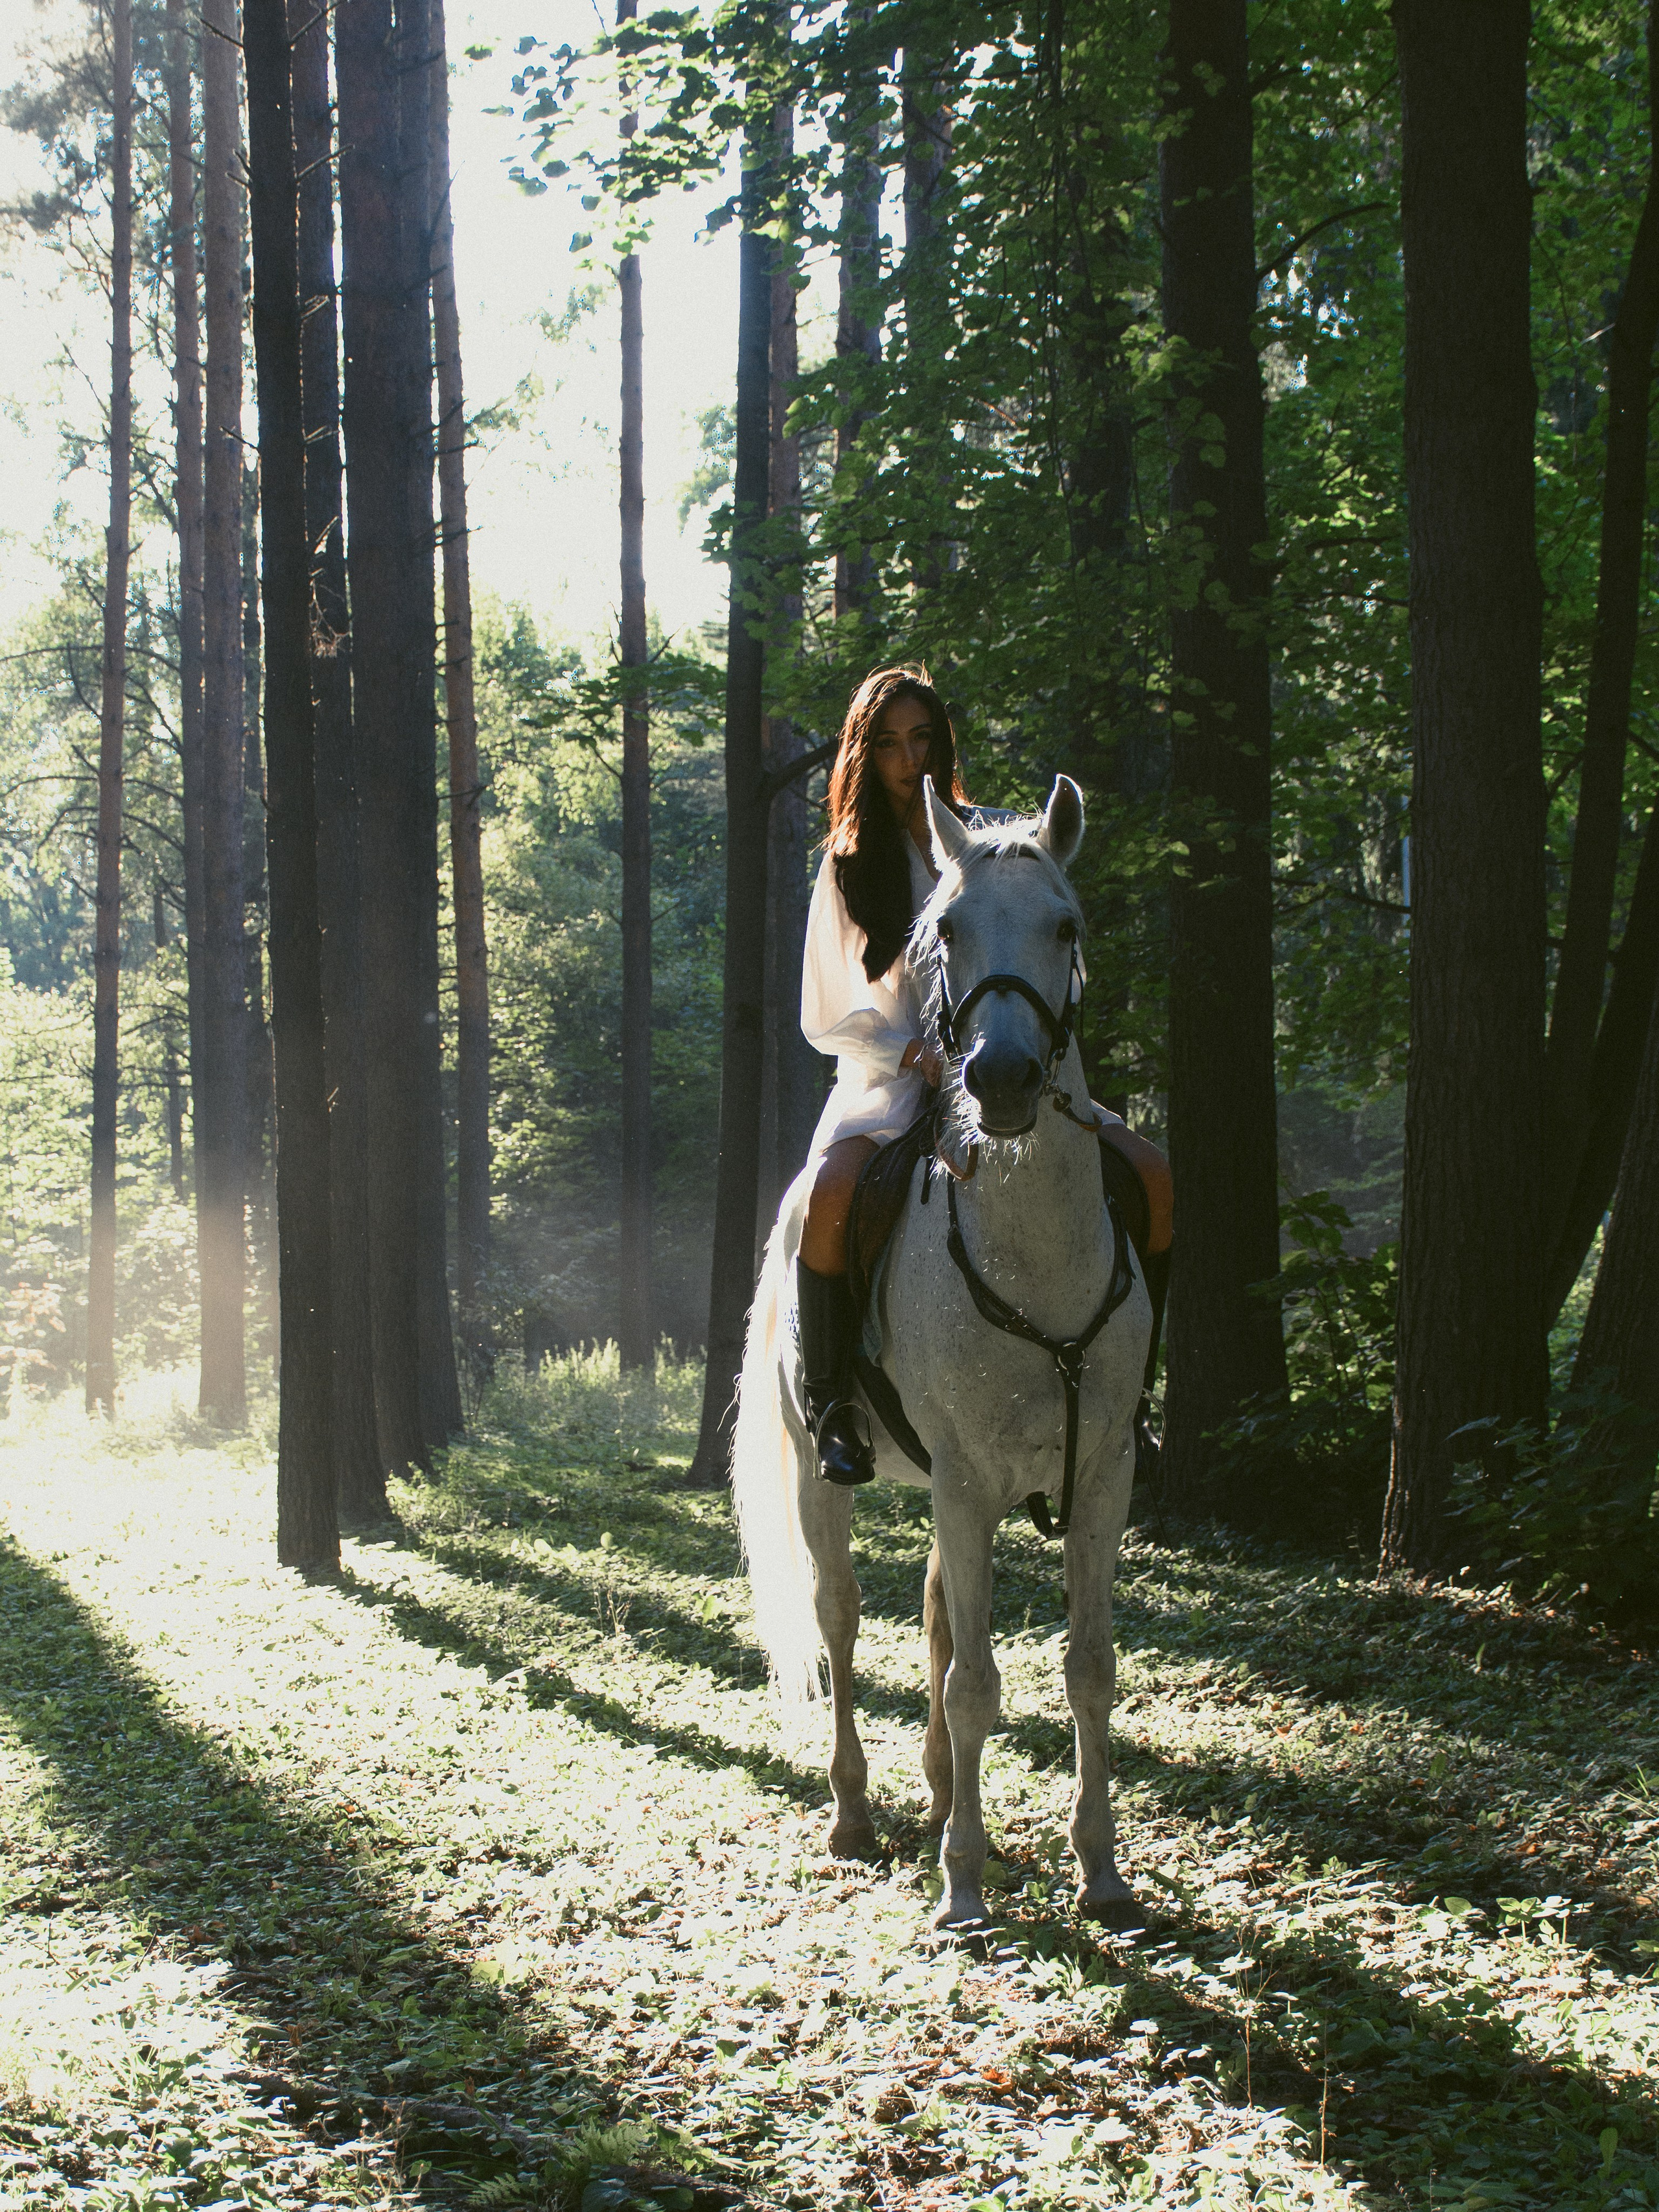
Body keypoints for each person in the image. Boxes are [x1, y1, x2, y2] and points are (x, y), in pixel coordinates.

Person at [795, 663, 1173, 1486]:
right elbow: (826, 1015)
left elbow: (1056, 956)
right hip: (893, 1080)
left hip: (1012, 1061)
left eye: (922, 738)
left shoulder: (998, 840)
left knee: (1150, 1172)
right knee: (830, 1196)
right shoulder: (848, 864)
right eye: (888, 743)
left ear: (943, 743)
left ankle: (1131, 1395)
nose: (909, 758)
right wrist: (919, 1055)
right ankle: (831, 1401)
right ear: (864, 754)